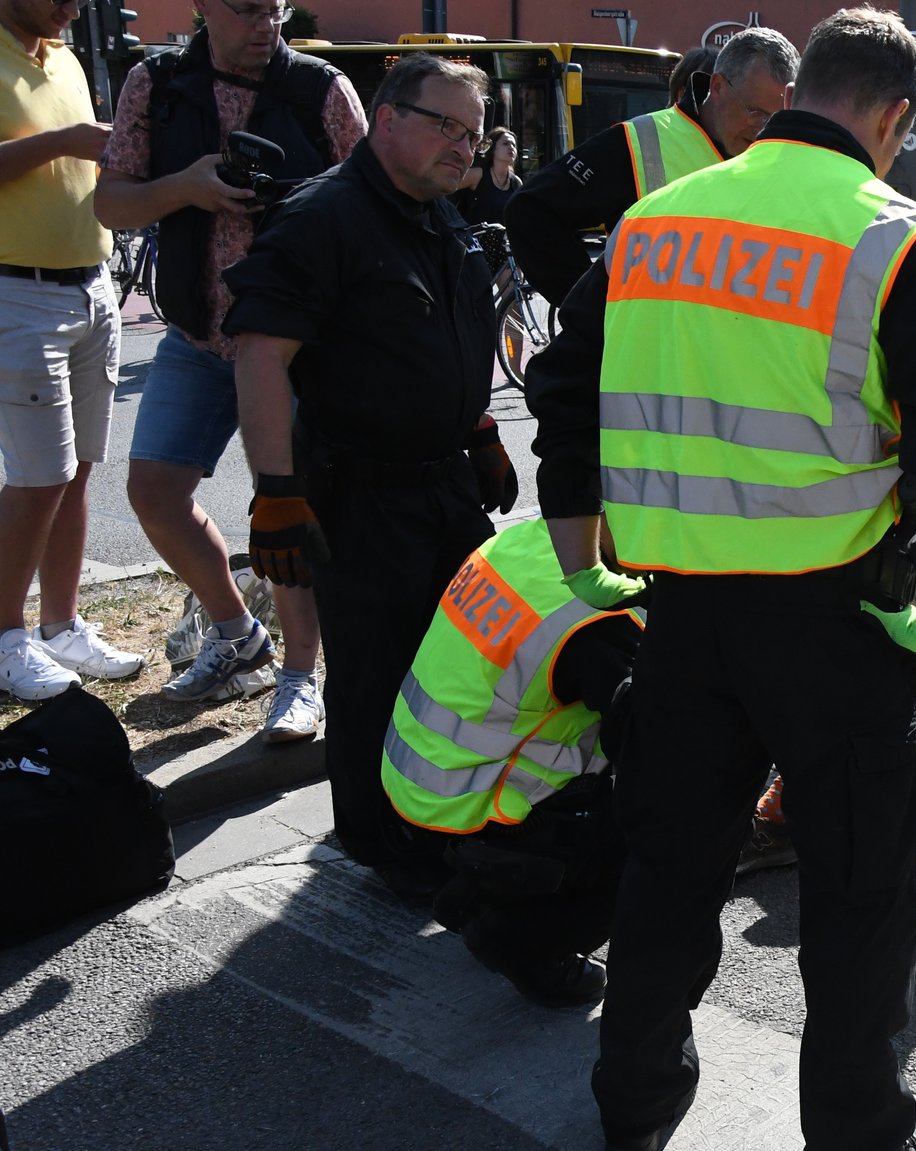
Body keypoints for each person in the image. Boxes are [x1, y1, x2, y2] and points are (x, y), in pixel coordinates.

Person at [525, 8, 916, 1148]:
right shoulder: (895, 237)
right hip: (835, 624)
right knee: (855, 908)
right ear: (892, 116)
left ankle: (634, 1109)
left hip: (680, 619)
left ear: (797, 94)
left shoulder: (652, 221)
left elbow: (563, 388)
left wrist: (573, 546)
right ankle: (852, 1133)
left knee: (668, 878)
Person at [223, 53, 508, 898]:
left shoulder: (439, 216)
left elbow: (450, 338)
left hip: (443, 482)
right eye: (445, 125)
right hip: (363, 491)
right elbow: (261, 356)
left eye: (473, 131)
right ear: (386, 118)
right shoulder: (325, 217)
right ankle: (385, 847)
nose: (463, 146)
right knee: (376, 676)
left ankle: (441, 816)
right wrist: (276, 490)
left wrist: (484, 426)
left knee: (466, 661)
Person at [93, 0, 362, 733]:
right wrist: (187, 186)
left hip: (292, 348)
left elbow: (374, 201)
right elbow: (110, 201)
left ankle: (302, 678)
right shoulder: (157, 83)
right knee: (153, 490)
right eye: (245, 9)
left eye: (273, 8)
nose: (265, 23)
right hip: (196, 333)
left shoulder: (320, 87)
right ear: (202, 7)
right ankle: (240, 637)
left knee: (285, 507)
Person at [381, 517, 641, 1009]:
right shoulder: (601, 618)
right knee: (667, 834)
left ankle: (472, 891)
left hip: (424, 784)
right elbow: (655, 748)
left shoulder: (530, 540)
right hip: (485, 804)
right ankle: (525, 945)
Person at [0, 0, 144, 701]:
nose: (75, 6)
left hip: (93, 284)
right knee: (38, 477)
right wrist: (64, 140)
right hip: (17, 291)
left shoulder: (65, 57)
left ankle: (61, 626)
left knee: (80, 466)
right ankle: (6, 638)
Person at [503, 29, 797, 306]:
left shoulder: (779, 156)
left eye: (776, 118)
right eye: (755, 112)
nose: (763, 129)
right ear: (717, 86)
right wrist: (596, 312)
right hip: (652, 354)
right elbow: (530, 211)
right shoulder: (639, 143)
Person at [455, 125, 520, 225]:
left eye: (513, 145)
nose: (511, 147)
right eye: (505, 143)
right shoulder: (478, 175)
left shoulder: (516, 182)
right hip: (472, 237)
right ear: (493, 149)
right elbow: (444, 188)